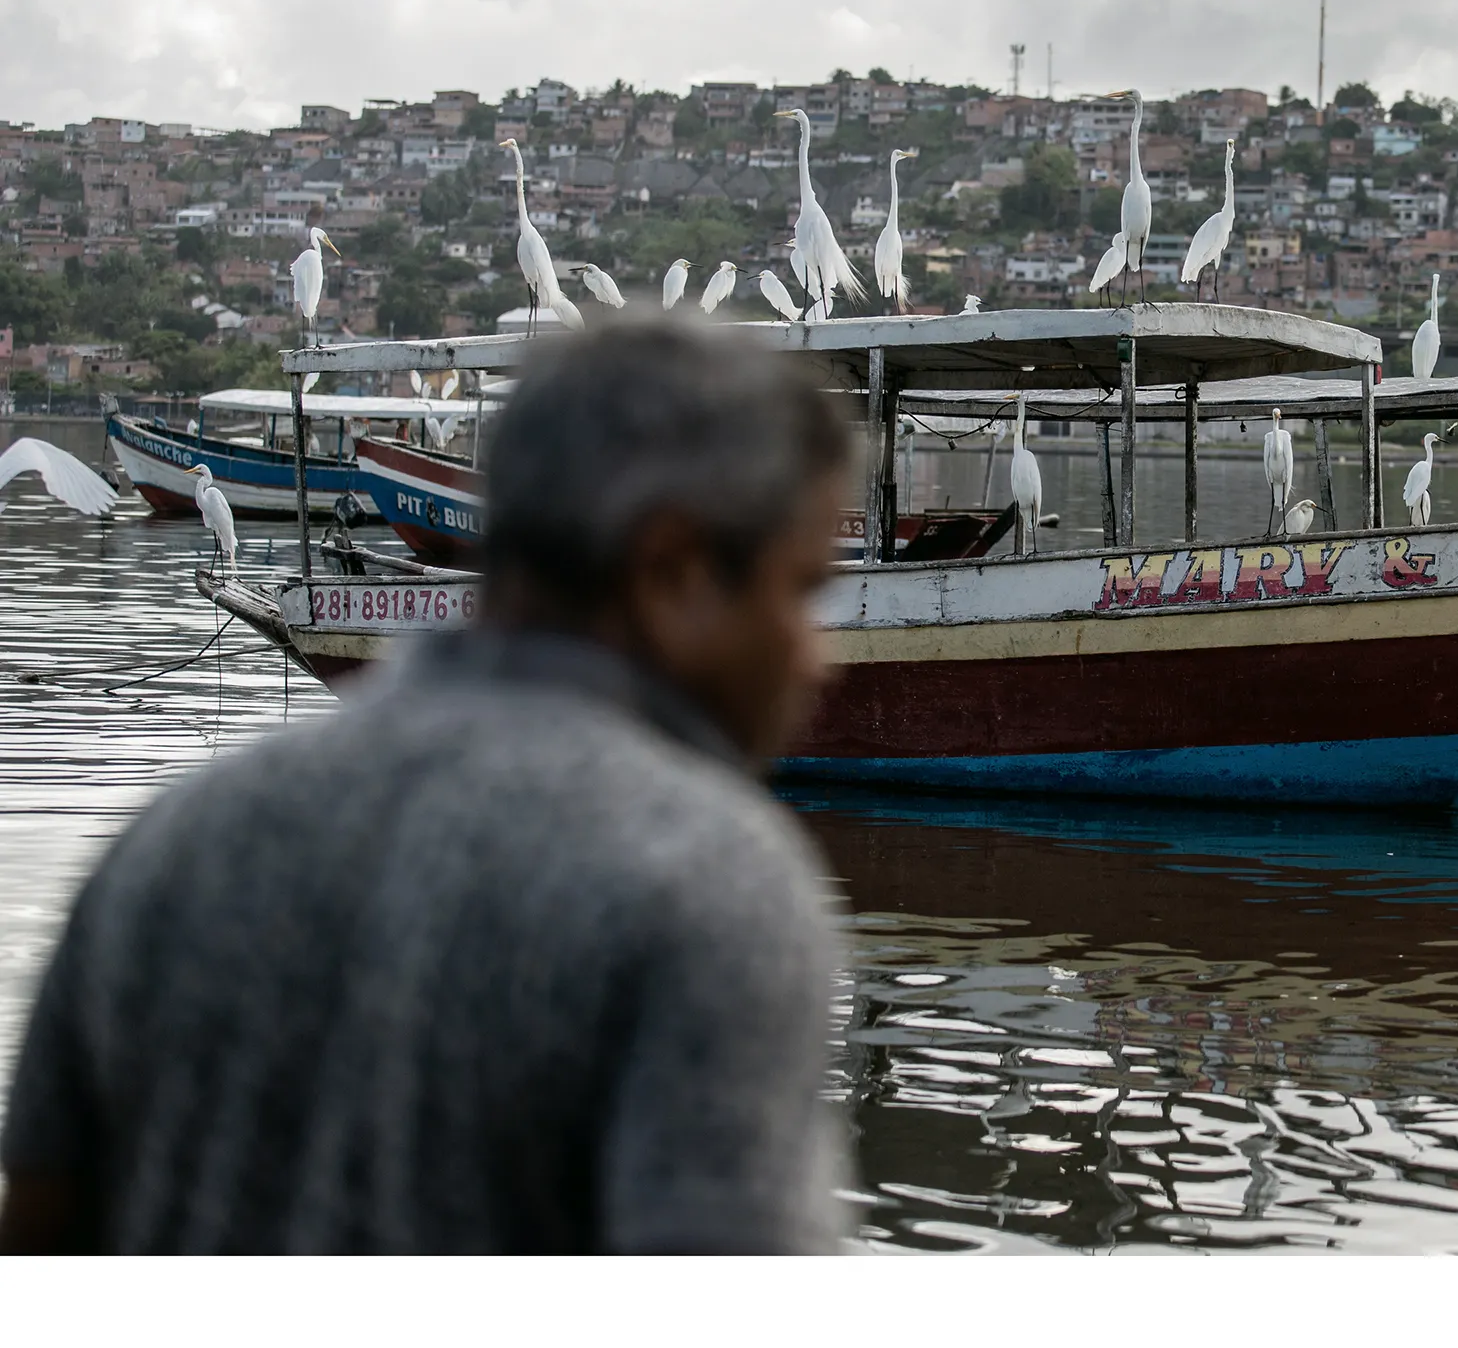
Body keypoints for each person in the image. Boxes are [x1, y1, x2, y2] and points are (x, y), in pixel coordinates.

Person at [1, 316, 851, 1254]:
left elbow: (40, 1231)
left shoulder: (170, 843)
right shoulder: (706, 887)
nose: (819, 658)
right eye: (801, 590)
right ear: (672, 570)